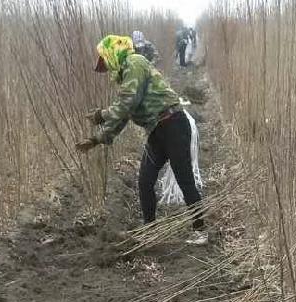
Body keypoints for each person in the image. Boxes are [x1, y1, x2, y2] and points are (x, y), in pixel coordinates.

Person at [76, 35, 206, 246]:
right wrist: (96, 139)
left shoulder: (134, 62)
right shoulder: (125, 74)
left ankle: (200, 230)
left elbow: (127, 103)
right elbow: (124, 114)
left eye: (106, 61)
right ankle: (150, 230)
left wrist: (101, 115)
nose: (107, 67)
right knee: (145, 181)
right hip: (156, 130)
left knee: (185, 181)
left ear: (113, 53)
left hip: (174, 124)